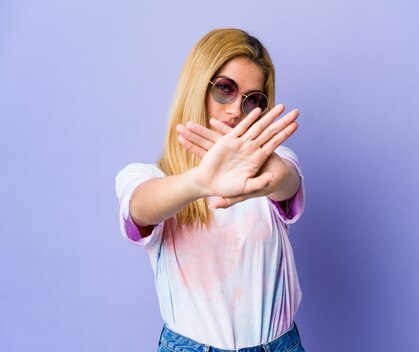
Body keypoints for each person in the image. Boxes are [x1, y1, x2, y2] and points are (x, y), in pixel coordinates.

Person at [114, 28, 306, 352]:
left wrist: (257, 165)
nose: (235, 110)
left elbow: (286, 182)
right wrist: (199, 182)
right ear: (197, 87)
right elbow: (139, 207)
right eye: (224, 89)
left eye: (252, 100)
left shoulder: (272, 166)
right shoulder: (150, 176)